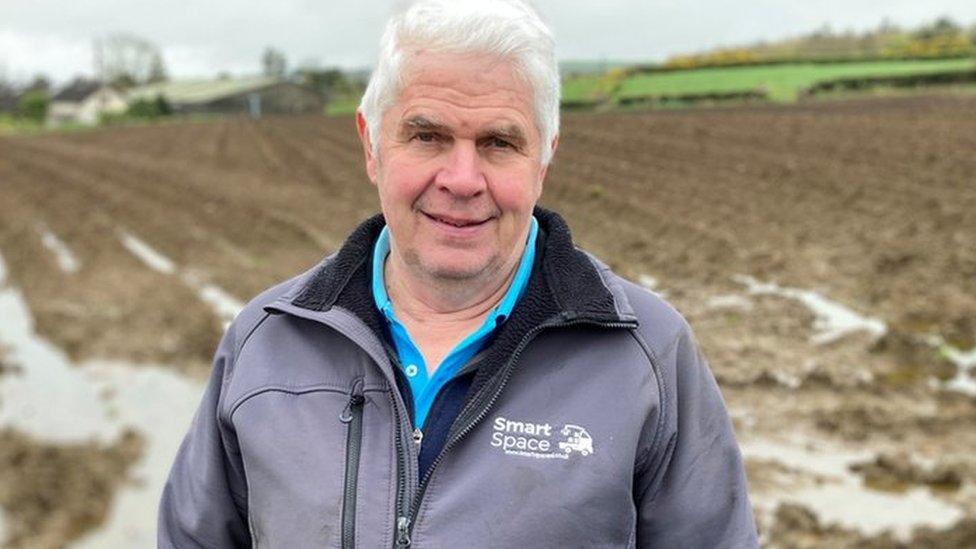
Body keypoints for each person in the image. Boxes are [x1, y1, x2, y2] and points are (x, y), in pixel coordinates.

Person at [158, 0, 758, 547]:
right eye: (427, 136)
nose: (462, 179)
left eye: (499, 142)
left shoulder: (646, 355)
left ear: (545, 156)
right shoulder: (265, 344)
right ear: (372, 146)